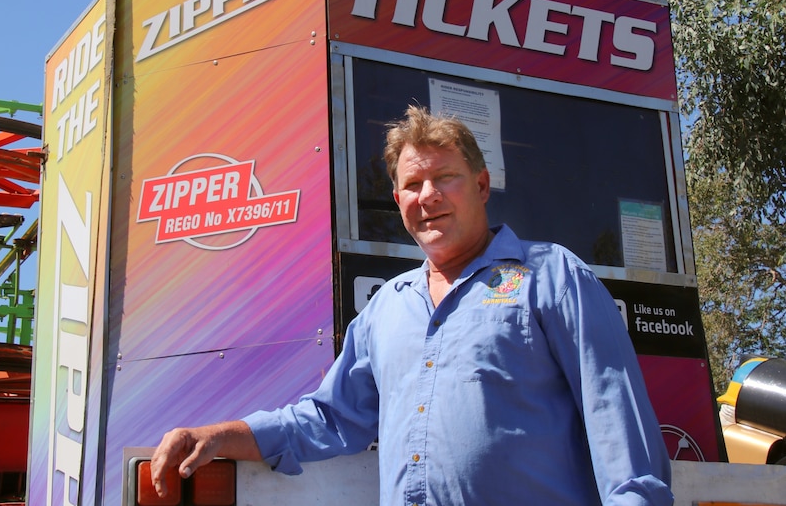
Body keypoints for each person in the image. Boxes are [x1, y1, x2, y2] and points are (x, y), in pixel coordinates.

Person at [151, 105, 674, 505]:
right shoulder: (386, 311)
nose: (428, 196)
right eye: (412, 184)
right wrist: (221, 435)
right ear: (398, 201)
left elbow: (617, 421)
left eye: (445, 177)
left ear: (482, 184)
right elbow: (331, 418)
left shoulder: (552, 275)